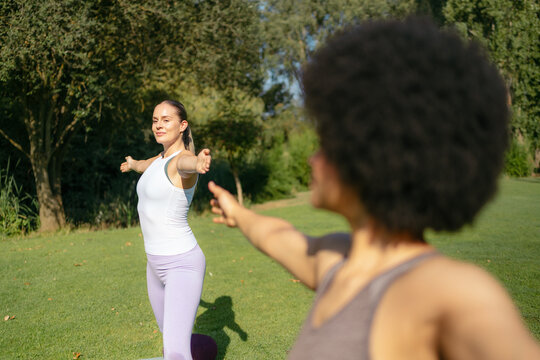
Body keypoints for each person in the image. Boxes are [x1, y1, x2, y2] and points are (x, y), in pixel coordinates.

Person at [207, 18, 540, 360]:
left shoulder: (441, 290)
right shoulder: (335, 261)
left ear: (375, 154)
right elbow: (276, 234)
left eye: (328, 144)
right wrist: (238, 213)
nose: (312, 159)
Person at [120, 100, 211, 360]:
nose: (158, 125)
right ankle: (205, 349)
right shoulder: (160, 159)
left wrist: (199, 163)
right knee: (169, 336)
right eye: (155, 120)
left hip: (181, 264)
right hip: (154, 266)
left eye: (166, 119)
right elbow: (145, 167)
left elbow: (187, 165)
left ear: (182, 125)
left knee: (175, 353)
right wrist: (133, 163)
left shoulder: (181, 160)